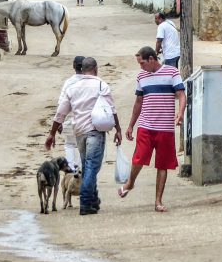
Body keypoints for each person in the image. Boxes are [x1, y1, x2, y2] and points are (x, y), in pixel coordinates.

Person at [47, 57, 121, 215]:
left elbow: (61, 112)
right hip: (95, 131)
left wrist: (52, 133)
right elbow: (112, 109)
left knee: (88, 166)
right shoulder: (101, 84)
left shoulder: (72, 87)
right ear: (95, 68)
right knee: (91, 167)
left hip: (79, 132)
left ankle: (93, 200)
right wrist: (118, 130)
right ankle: (86, 202)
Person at [118, 46, 186, 212]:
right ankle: (130, 183)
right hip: (146, 126)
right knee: (139, 158)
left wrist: (180, 112)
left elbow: (182, 95)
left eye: (142, 63)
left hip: (165, 128)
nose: (141, 67)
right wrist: (131, 125)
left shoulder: (172, 72)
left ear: (151, 59)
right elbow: (138, 102)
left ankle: (158, 201)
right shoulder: (141, 76)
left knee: (162, 164)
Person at [55, 55, 87, 170]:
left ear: (73, 66)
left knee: (69, 144)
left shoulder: (69, 82)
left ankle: (71, 169)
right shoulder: (89, 81)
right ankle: (80, 170)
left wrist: (59, 121)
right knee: (82, 146)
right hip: (85, 120)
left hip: (69, 119)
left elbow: (61, 103)